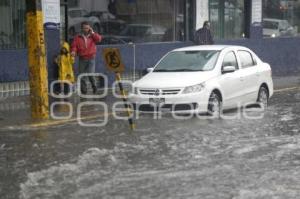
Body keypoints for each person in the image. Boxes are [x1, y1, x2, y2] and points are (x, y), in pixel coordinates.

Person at [71, 21, 102, 95]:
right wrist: (73, 51)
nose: (86, 29)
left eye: (87, 28)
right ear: (82, 28)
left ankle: (94, 87)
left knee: (91, 73)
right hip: (82, 58)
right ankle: (84, 91)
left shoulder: (92, 36)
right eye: (85, 28)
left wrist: (93, 33)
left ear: (90, 28)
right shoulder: (77, 37)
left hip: (91, 58)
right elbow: (74, 46)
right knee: (82, 75)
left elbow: (99, 39)